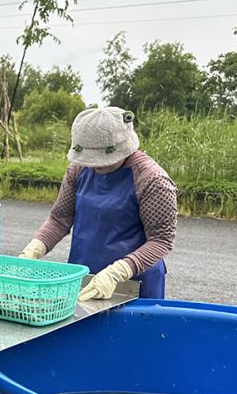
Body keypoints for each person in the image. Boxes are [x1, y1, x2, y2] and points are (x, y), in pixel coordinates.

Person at [19, 107, 177, 301]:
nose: (97, 166)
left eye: (103, 160)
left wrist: (117, 272)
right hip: (83, 274)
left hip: (135, 281)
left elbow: (161, 241)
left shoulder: (152, 180)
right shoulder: (78, 171)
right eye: (90, 161)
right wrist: (33, 250)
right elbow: (60, 219)